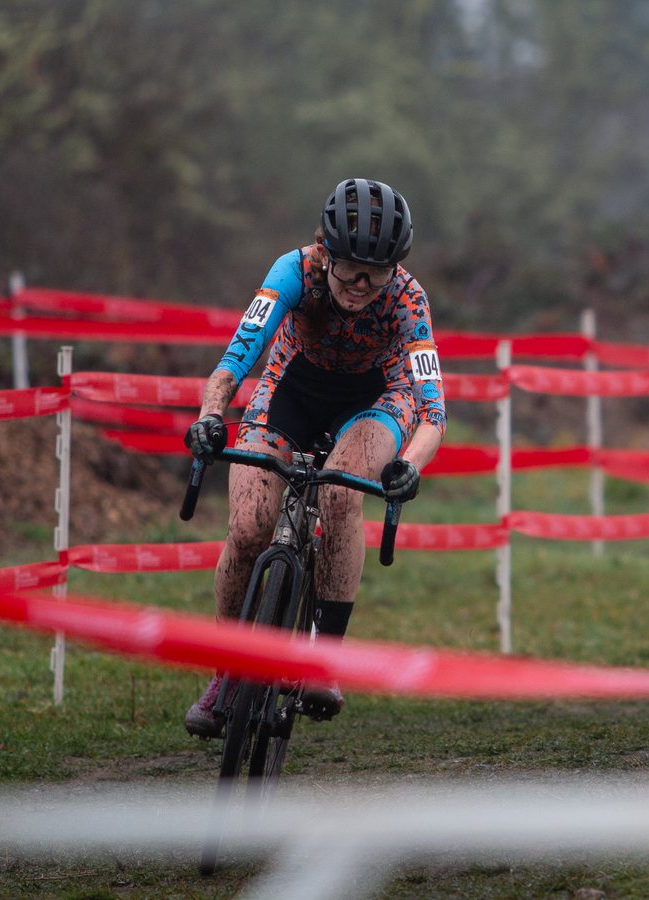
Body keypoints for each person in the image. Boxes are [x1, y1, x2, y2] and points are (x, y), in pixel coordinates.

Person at [182, 178, 445, 737]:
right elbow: (239, 352)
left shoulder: (408, 299)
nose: (360, 284)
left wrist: (409, 464)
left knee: (343, 493)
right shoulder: (293, 271)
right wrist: (211, 414)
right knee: (250, 526)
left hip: (374, 400)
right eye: (350, 268)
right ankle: (229, 666)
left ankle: (323, 659)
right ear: (325, 251)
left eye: (376, 273)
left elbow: (432, 411)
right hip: (291, 389)